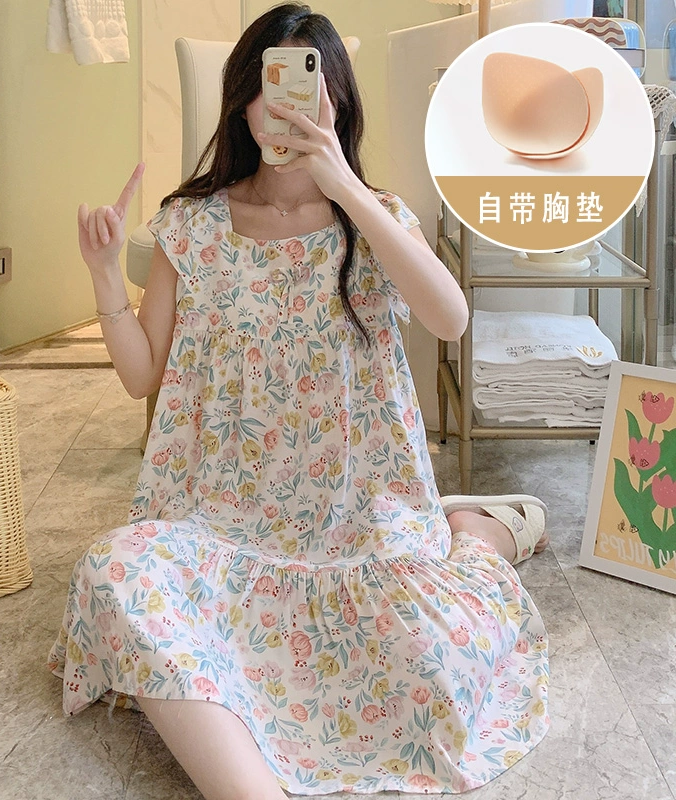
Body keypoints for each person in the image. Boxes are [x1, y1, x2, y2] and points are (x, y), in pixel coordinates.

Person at [49, 4, 551, 797]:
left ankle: (479, 537)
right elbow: (143, 375)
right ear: (242, 102)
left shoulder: (374, 219)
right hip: (219, 519)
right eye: (267, 84)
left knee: (433, 660)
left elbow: (450, 318)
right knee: (117, 574)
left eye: (307, 83)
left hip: (356, 519)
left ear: (337, 100)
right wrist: (106, 276)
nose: (285, 105)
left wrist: (344, 186)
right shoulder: (192, 224)